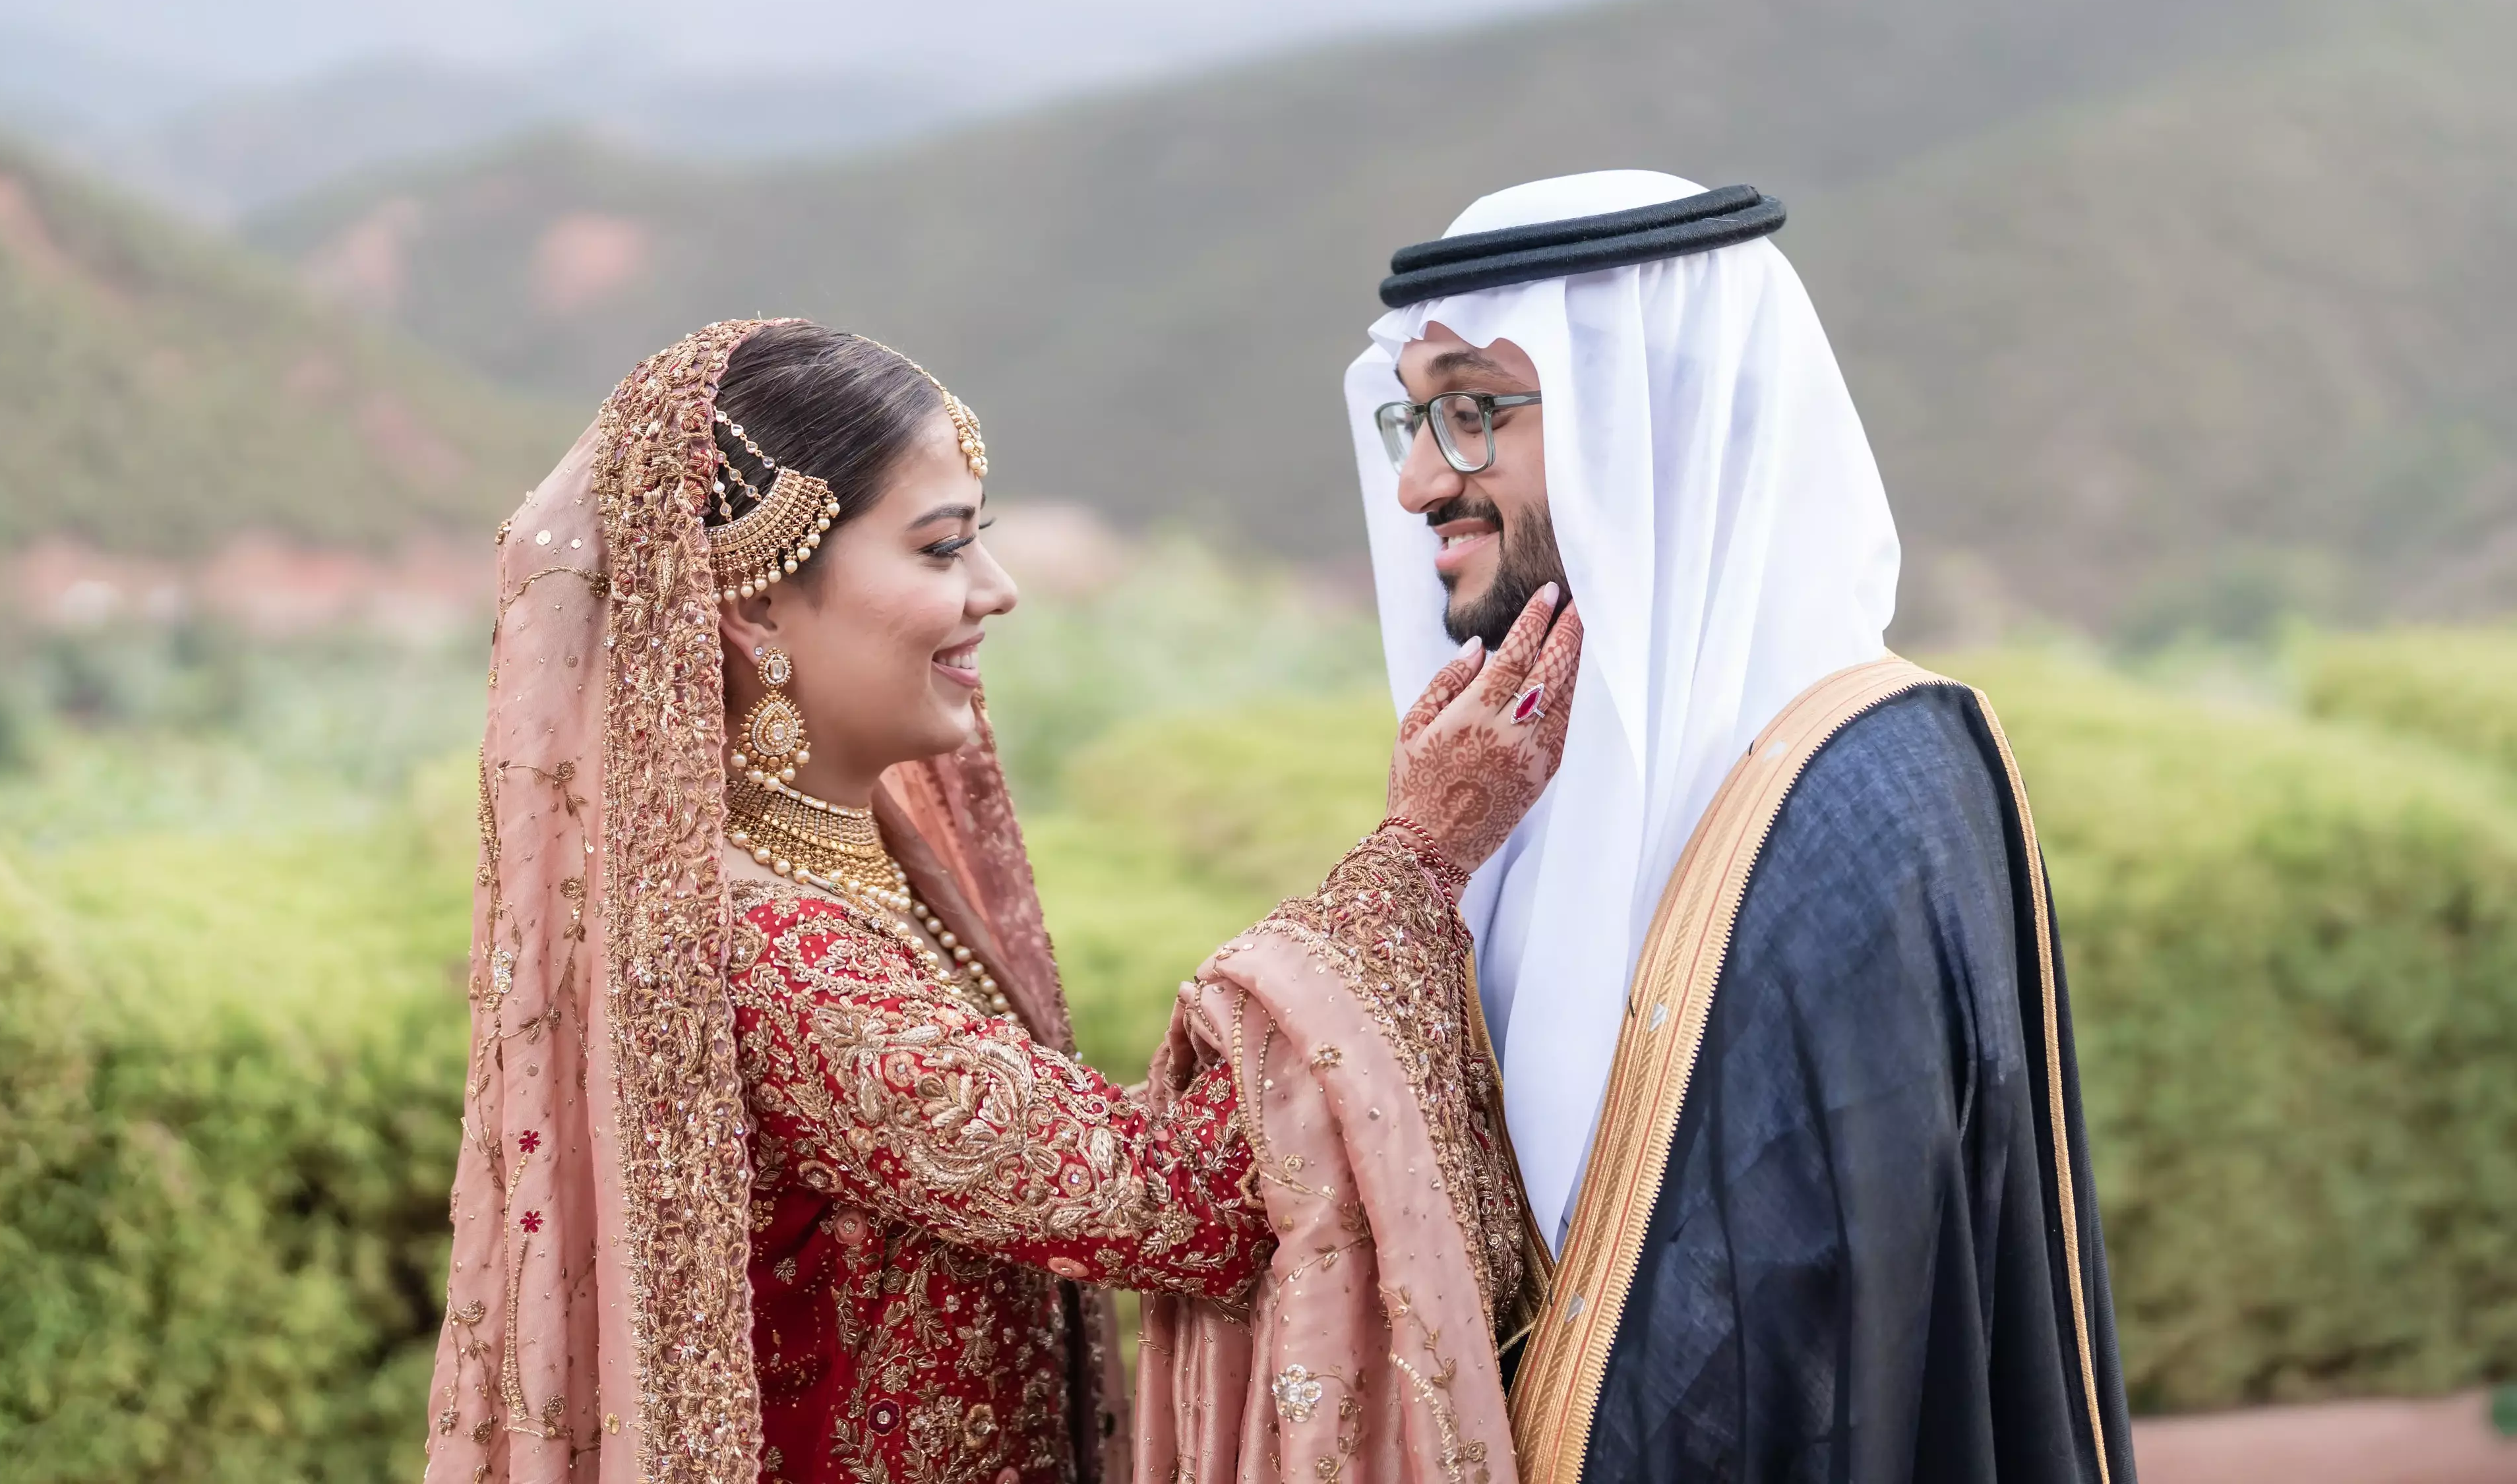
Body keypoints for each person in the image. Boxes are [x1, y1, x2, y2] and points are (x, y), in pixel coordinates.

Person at [424, 318, 1578, 1484]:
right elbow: (1181, 1199)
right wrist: (1419, 857)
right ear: (756, 603)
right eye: (940, 551)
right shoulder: (772, 954)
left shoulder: (857, 876)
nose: (999, 590)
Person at [1343, 173, 2138, 1483]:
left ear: (1650, 418)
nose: (1424, 478)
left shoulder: (1872, 791)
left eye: (1476, 410)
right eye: (1417, 418)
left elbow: (1843, 1343)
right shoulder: (1508, 792)